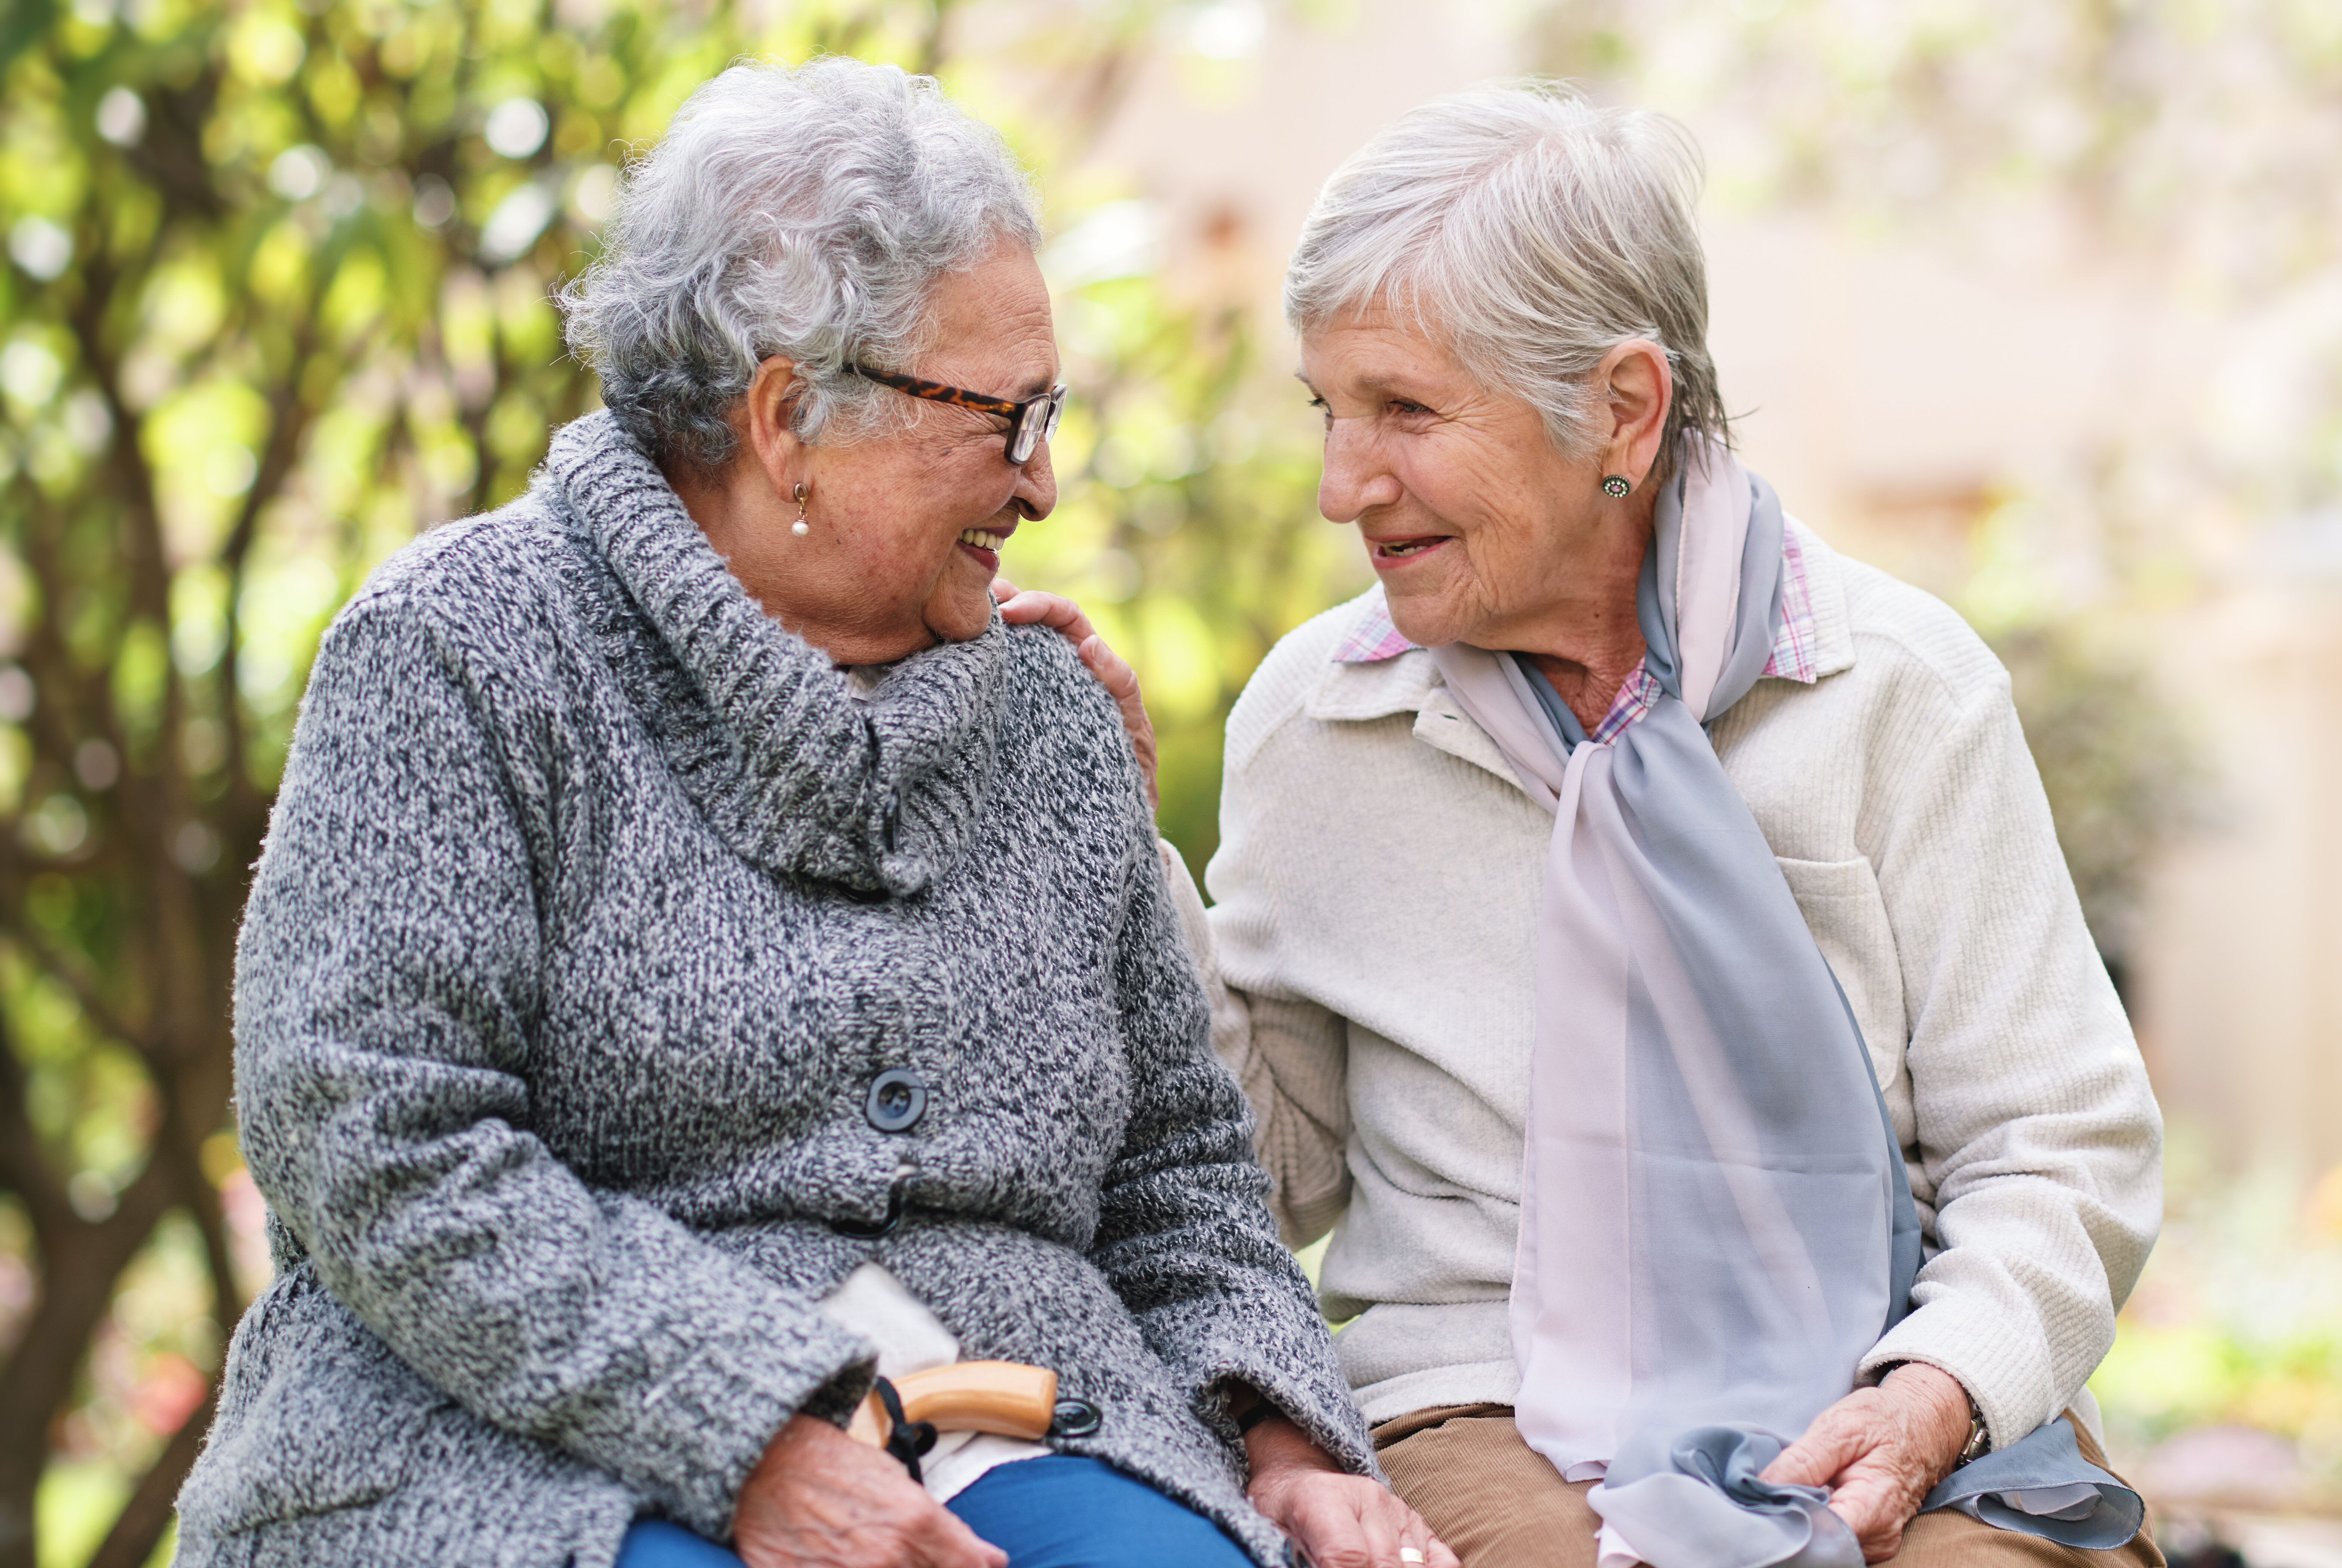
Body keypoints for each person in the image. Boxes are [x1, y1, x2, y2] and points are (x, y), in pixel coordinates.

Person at [171, 58, 1456, 1568]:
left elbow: (1178, 1172)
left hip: (1028, 1409)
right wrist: (748, 1428)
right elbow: (380, 1143)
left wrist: (1290, 1447)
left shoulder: (1046, 715)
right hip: (538, 1431)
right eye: (1009, 417)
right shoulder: (458, 655)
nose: (1043, 481)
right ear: (788, 419)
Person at [1002, 82, 2164, 1568]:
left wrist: (1934, 1391)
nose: (1340, 483)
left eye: (1406, 410)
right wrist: (1122, 848)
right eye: (1330, 408)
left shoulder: (1899, 691)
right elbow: (1262, 1173)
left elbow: (2057, 1143)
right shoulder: (1320, 721)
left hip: (1888, 1380)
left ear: (1621, 407)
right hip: (1479, 1399)